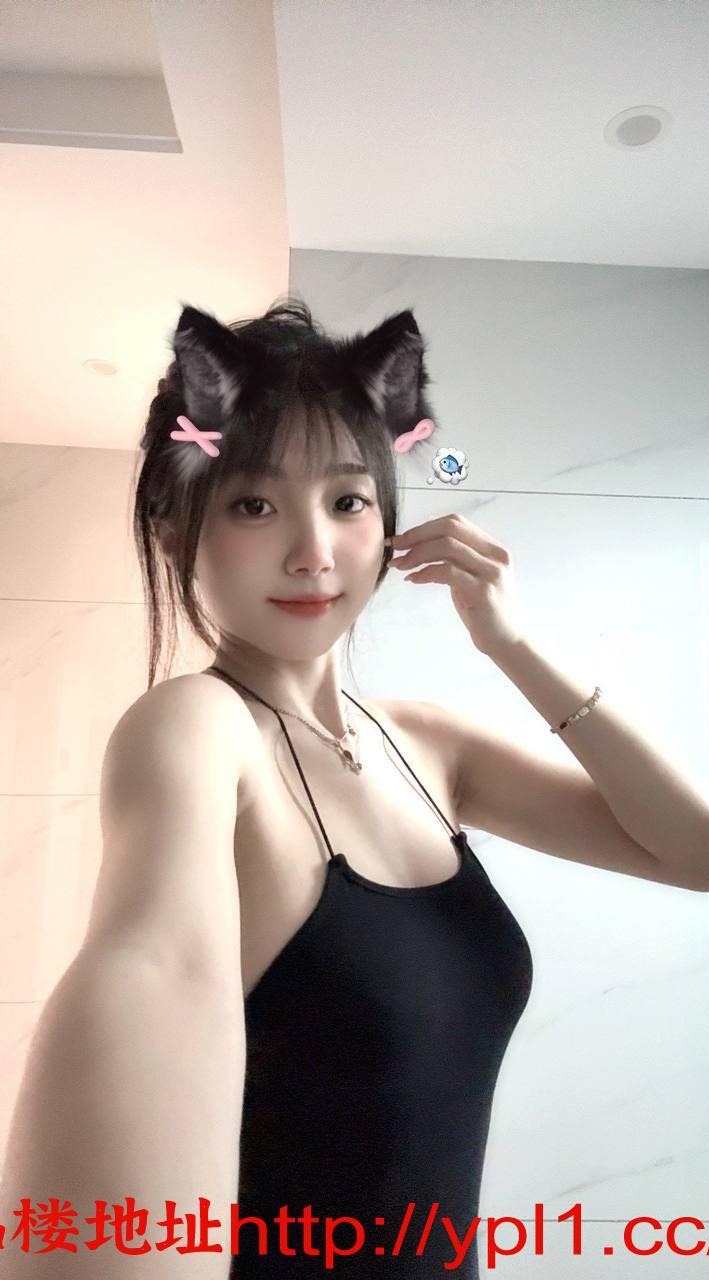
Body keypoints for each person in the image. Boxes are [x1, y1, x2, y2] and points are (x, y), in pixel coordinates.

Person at [0, 297, 533, 1279]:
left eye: (347, 501)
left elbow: (705, 853)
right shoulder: (199, 727)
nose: (312, 551)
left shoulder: (425, 743)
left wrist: (510, 643)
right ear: (176, 529)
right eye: (254, 504)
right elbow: (149, 972)